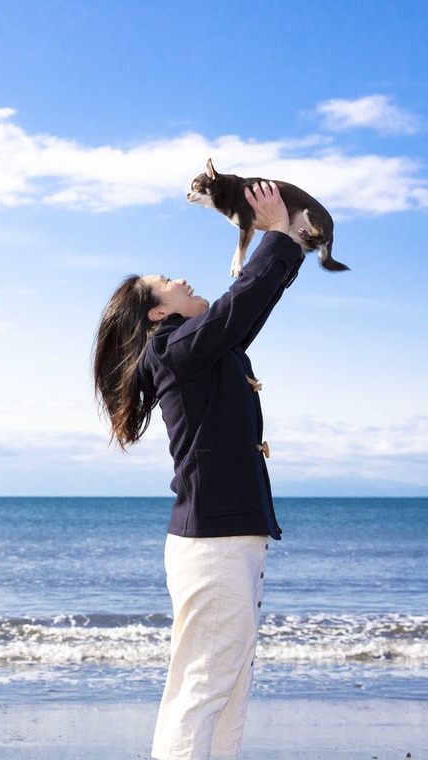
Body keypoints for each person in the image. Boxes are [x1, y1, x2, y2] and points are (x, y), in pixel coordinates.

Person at [93, 181, 304, 759]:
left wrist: (285, 244)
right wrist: (280, 234)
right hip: (214, 543)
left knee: (228, 689)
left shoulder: (200, 346)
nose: (181, 280)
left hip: (231, 539)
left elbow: (247, 308)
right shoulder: (173, 347)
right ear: (158, 312)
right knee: (202, 690)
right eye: (167, 284)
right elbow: (242, 302)